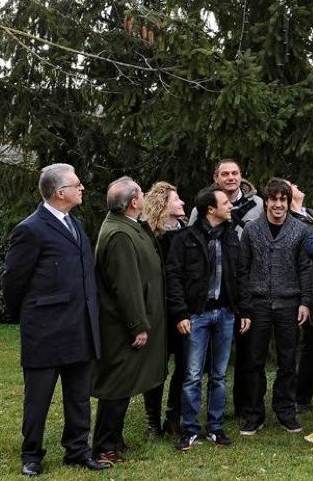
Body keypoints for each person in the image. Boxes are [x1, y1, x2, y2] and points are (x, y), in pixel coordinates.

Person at [2, 164, 110, 476]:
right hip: (45, 330)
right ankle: (31, 455)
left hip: (80, 328)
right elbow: (13, 282)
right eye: (77, 185)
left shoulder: (74, 224)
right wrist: (31, 316)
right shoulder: (30, 229)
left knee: (78, 397)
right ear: (60, 192)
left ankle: (77, 451)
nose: (82, 189)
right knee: (38, 399)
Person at [167, 188, 251, 451]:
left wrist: (244, 310)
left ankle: (215, 427)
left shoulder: (231, 237)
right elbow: (174, 277)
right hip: (196, 315)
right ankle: (189, 428)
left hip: (225, 313)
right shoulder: (184, 239)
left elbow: (240, 274)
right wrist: (180, 313)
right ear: (210, 209)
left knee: (219, 375)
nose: (230, 206)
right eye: (225, 203)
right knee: (192, 375)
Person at [91, 177, 166, 464]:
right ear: (134, 202)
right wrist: (138, 325)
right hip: (121, 326)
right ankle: (104, 446)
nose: (146, 198)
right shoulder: (120, 234)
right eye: (141, 194)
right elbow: (127, 285)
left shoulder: (129, 226)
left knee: (122, 386)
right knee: (117, 386)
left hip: (127, 323)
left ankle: (113, 439)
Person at [237, 178, 313, 435]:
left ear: (288, 201)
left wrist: (306, 302)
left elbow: (305, 268)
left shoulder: (300, 230)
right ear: (267, 201)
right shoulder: (251, 230)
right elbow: (242, 270)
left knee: (287, 360)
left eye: (283, 199)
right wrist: (245, 307)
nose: (279, 204)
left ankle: (285, 411)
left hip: (289, 303)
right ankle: (254, 414)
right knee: (254, 361)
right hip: (258, 304)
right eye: (274, 199)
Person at [187, 159, 263, 417]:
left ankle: (244, 406)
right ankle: (198, 413)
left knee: (247, 353)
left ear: (241, 176)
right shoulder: (202, 207)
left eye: (235, 173)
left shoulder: (259, 205)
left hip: (245, 284)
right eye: (225, 174)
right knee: (203, 361)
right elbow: (192, 245)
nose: (231, 177)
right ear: (216, 177)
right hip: (211, 289)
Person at [141, 182, 188, 436]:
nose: (182, 203)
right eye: (177, 199)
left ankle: (173, 417)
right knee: (157, 367)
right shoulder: (149, 235)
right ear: (163, 204)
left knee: (184, 365)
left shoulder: (187, 232)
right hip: (158, 310)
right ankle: (152, 420)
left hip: (182, 309)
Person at [288, 182, 313, 413]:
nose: (297, 186)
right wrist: (311, 297)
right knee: (310, 343)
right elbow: (303, 259)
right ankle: (301, 396)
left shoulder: (309, 213)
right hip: (307, 284)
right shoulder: (291, 220)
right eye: (292, 185)